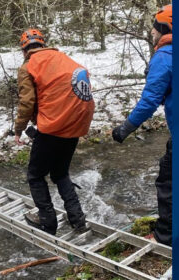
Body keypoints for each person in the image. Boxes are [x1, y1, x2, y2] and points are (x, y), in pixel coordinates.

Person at [14, 29, 95, 235]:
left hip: (53, 126)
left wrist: (19, 129)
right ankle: (78, 220)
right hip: (75, 124)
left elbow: (27, 102)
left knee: (35, 175)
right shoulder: (63, 58)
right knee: (60, 173)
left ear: (25, 50)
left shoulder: (28, 66)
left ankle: (47, 222)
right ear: (43, 44)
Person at [112, 4, 172, 246]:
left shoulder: (165, 55)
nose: (152, 32)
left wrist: (125, 128)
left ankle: (164, 237)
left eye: (155, 28)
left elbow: (149, 101)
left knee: (167, 182)